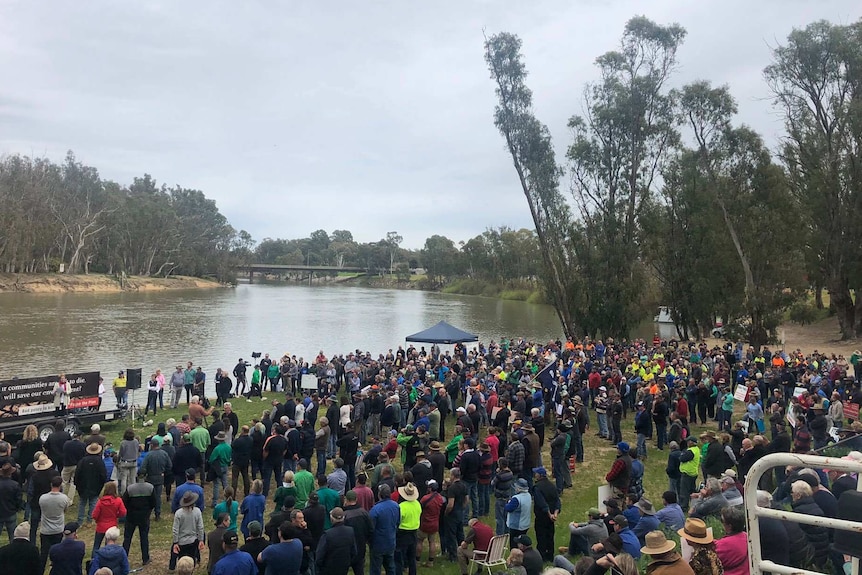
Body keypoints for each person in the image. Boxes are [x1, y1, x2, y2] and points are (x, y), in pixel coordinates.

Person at [122, 475, 156, 567]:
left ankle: (123, 558)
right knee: (144, 538)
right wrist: (147, 510)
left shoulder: (130, 489)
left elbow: (124, 501)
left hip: (131, 516)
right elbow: (154, 502)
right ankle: (145, 558)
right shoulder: (150, 487)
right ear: (145, 477)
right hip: (144, 516)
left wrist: (130, 509)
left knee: (127, 538)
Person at [40, 475, 70, 573]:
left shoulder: (43, 498)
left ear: (51, 484)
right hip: (58, 529)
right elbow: (65, 510)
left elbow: (42, 510)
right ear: (61, 485)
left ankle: (40, 570)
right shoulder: (64, 498)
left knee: (44, 553)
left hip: (45, 529)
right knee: (57, 553)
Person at [369, 484, 400, 575]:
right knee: (390, 567)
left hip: (378, 544)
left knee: (375, 569)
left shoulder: (375, 510)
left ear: (379, 494)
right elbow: (398, 522)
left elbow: (371, 529)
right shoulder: (396, 506)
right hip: (391, 541)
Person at [170, 491, 205, 570]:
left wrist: (175, 542)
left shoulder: (179, 513)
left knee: (182, 561)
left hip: (181, 542)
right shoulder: (197, 511)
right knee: (191, 561)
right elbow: (200, 527)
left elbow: (175, 529)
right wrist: (201, 540)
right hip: (193, 541)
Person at [316, 507, 357, 575]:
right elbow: (354, 552)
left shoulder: (327, 534)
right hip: (344, 567)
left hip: (328, 569)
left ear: (331, 519)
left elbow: (319, 557)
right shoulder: (350, 531)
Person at [74, 443, 107, 526]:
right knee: (93, 503)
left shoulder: (82, 461)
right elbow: (103, 475)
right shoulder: (100, 461)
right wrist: (102, 484)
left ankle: (80, 521)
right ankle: (89, 520)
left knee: (82, 503)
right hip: (95, 486)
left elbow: (77, 473)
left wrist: (76, 484)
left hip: (82, 486)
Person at [531, 466, 560, 562]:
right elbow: (557, 500)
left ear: (539, 475)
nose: (535, 475)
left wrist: (548, 513)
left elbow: (541, 502)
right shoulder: (552, 485)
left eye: (536, 473)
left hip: (542, 516)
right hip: (551, 518)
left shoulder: (537, 487)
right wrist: (555, 513)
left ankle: (542, 557)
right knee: (550, 536)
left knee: (541, 536)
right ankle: (550, 556)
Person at [139, 439, 171, 520]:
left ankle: (147, 513)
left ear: (152, 445)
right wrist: (164, 471)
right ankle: (157, 514)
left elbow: (143, 468)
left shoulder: (149, 455)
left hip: (150, 478)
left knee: (149, 496)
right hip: (160, 477)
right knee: (158, 496)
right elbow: (169, 465)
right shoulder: (164, 454)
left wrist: (143, 474)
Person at [91, 481, 126, 554]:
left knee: (96, 545)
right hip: (112, 526)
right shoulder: (118, 500)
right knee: (109, 546)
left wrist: (98, 520)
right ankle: (108, 559)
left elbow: (94, 514)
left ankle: (93, 561)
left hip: (101, 526)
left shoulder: (100, 501)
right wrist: (116, 516)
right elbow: (123, 512)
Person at [343, 490, 373, 575]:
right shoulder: (364, 512)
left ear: (346, 500)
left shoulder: (344, 515)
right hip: (361, 547)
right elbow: (370, 529)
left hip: (348, 550)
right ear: (356, 499)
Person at [714, 507, 749, 575]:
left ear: (729, 526)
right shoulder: (747, 536)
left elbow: (709, 560)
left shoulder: (724, 544)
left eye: (722, 520)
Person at [395, 483, 420, 575]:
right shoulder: (417, 504)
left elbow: (398, 520)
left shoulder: (401, 506)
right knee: (412, 558)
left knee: (399, 558)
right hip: (414, 532)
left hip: (403, 533)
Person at [209, 431, 232, 507]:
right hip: (225, 466)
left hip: (218, 467)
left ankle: (215, 502)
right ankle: (228, 499)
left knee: (216, 484)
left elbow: (212, 459)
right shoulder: (228, 447)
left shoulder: (217, 448)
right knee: (225, 483)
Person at [232, 425, 253, 498]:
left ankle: (233, 494)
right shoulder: (251, 439)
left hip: (237, 461)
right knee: (246, 477)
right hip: (246, 461)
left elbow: (233, 445)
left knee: (235, 478)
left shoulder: (238, 440)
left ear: (243, 431)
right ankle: (246, 492)